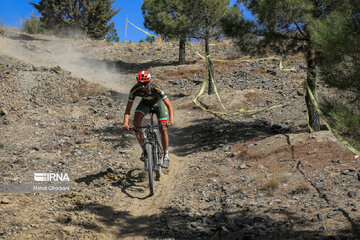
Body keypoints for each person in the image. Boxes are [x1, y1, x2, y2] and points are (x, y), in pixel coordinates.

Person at [123, 70, 174, 168]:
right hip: (145, 104)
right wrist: (125, 123)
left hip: (158, 104)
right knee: (136, 124)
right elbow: (128, 109)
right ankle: (144, 150)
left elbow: (169, 105)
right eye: (140, 83)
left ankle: (166, 155)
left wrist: (171, 120)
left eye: (145, 83)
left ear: (149, 82)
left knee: (163, 128)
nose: (142, 86)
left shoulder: (156, 88)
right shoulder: (135, 89)